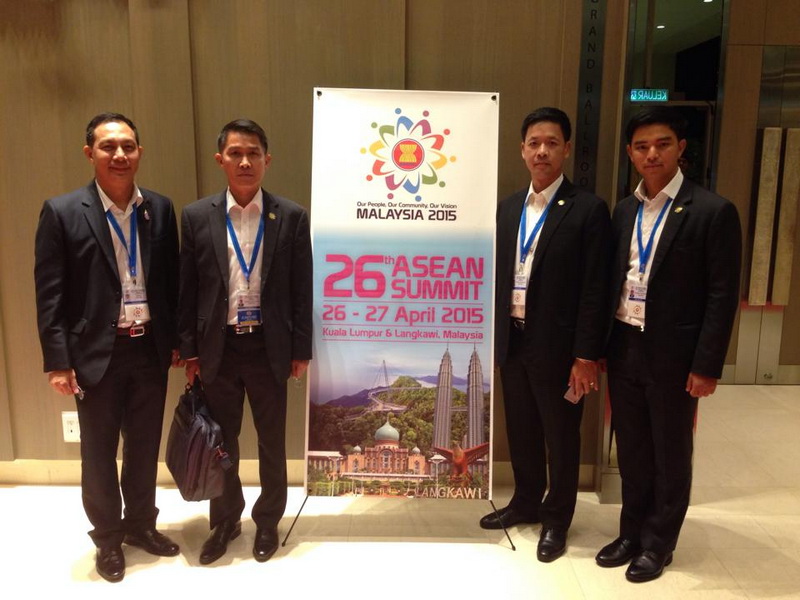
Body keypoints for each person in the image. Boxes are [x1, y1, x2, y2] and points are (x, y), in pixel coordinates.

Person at [596, 107, 741, 582]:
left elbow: (722, 295)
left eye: (662, 144)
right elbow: (615, 281)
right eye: (641, 147)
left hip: (675, 356)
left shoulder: (712, 211)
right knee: (632, 449)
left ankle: (659, 543)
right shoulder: (625, 210)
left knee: (670, 452)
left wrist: (707, 365)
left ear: (681, 148)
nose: (652, 154)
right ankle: (631, 533)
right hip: (625, 345)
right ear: (630, 153)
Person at [34, 113, 181, 583]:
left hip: (149, 348)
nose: (119, 154)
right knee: (98, 453)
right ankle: (108, 539)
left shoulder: (159, 208)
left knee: (144, 445)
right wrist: (58, 361)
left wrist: (177, 341)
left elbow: (171, 282)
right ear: (90, 153)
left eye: (128, 146)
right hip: (95, 353)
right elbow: (50, 293)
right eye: (108, 146)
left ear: (139, 152)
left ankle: (140, 525)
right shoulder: (62, 212)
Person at [480, 107, 612, 562]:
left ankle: (557, 519)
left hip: (560, 348)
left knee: (561, 434)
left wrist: (585, 355)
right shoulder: (508, 207)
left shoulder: (588, 210)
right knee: (521, 428)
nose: (542, 151)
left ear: (566, 149)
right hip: (513, 340)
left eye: (552, 143)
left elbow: (596, 289)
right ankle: (525, 501)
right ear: (522, 150)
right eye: (534, 143)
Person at [178, 119, 312, 565]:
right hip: (219, 347)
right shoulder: (197, 216)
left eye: (254, 153)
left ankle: (268, 520)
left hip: (269, 347)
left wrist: (301, 350)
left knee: (272, 441)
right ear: (221, 160)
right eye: (235, 153)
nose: (245, 161)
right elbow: (187, 287)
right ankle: (225, 520)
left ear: (267, 160)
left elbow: (301, 287)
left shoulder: (290, 216)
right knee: (222, 441)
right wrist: (190, 350)